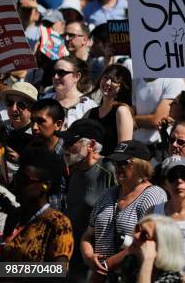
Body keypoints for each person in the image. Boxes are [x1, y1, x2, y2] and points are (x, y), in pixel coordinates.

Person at [80, 140, 167, 279]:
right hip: (101, 276)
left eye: (124, 163)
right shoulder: (107, 194)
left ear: (141, 165)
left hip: (133, 276)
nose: (117, 167)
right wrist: (88, 255)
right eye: (115, 163)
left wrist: (105, 267)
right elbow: (88, 235)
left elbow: (148, 243)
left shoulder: (153, 195)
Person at [60, 118, 117, 282]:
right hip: (69, 254)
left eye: (72, 143)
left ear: (91, 145)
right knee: (11, 270)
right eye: (65, 143)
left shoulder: (110, 169)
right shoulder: (75, 169)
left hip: (95, 260)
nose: (65, 149)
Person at [0, 147, 74, 264]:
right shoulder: (15, 215)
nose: (17, 184)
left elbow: (59, 271)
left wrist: (6, 271)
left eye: (25, 180)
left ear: (45, 185)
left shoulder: (58, 223)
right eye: (17, 178)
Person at [122, 214, 185, 283]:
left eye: (145, 235)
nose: (136, 235)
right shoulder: (132, 261)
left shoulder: (171, 277)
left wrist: (148, 261)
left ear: (161, 245)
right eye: (138, 228)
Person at [87, 64, 135, 155]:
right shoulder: (91, 112)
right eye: (105, 77)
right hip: (89, 166)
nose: (107, 82)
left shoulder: (122, 111)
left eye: (114, 81)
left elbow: (124, 150)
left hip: (109, 167)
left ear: (122, 87)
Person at [43, 55, 97, 127]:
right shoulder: (45, 99)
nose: (56, 77)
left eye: (61, 73)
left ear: (77, 76)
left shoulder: (88, 105)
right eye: (53, 72)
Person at [133, 77, 185, 151]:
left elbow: (157, 120)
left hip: (158, 149)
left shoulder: (174, 80)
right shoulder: (136, 79)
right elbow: (131, 111)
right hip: (134, 145)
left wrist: (129, 120)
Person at [1, 81, 37, 163]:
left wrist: (21, 160)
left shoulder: (37, 135)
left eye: (21, 105)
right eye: (10, 103)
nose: (14, 109)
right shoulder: (1, 129)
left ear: (32, 108)